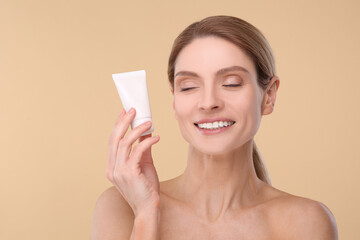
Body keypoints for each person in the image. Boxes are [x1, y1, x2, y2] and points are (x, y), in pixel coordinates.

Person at [91, 15, 338, 240]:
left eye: (231, 83)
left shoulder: (306, 222)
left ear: (269, 96)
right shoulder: (121, 208)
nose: (208, 103)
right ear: (175, 101)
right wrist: (146, 215)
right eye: (188, 86)